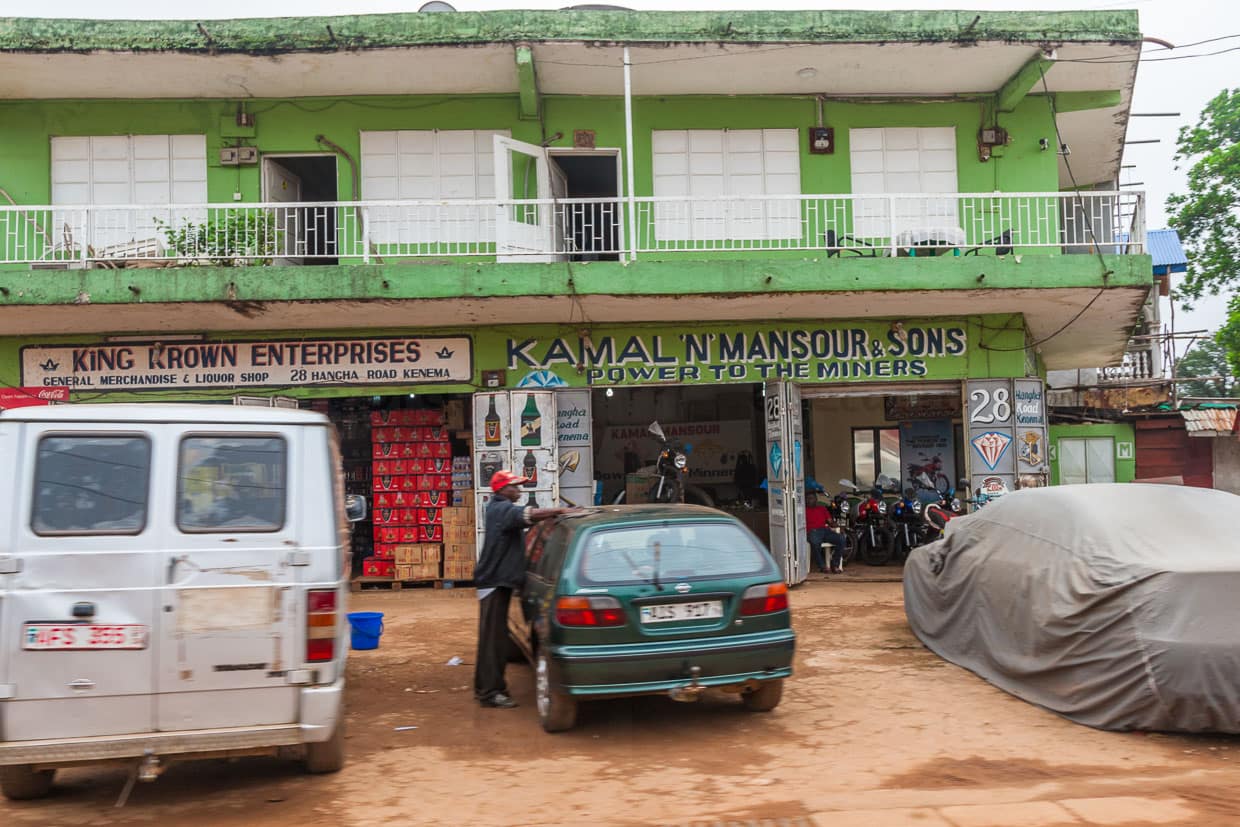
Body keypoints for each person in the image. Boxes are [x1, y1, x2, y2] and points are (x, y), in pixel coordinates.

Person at [473, 469, 567, 709]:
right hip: (494, 584)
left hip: (496, 583)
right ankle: (490, 693)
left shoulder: (498, 509)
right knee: (492, 643)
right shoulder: (500, 509)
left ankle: (485, 688)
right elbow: (528, 515)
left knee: (493, 640)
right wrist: (558, 510)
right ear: (503, 489)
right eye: (515, 486)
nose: (519, 490)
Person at [807, 489, 848, 574]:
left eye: (811, 498)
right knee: (815, 543)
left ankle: (835, 564)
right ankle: (822, 566)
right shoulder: (803, 510)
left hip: (825, 531)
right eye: (807, 499)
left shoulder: (822, 509)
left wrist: (839, 527)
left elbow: (830, 522)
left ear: (816, 500)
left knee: (841, 539)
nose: (809, 501)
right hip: (812, 531)